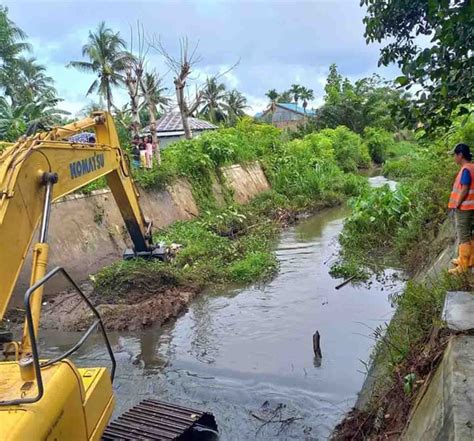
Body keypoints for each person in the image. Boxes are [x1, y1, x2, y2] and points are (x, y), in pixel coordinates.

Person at [448, 143, 474, 274]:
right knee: (470, 234)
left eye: (454, 155)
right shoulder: (472, 167)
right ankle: (470, 260)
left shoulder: (465, 170)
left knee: (463, 236)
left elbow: (464, 189)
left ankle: (463, 266)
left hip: (465, 207)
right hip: (471, 206)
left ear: (460, 155)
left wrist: (457, 204)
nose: (454, 158)